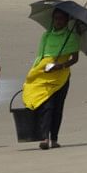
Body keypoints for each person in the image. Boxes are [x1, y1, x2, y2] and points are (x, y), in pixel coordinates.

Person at [22, 9, 80, 150]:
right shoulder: (46, 35)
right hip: (44, 74)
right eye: (56, 18)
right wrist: (37, 71)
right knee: (46, 106)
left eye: (61, 19)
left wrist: (60, 66)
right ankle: (44, 138)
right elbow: (40, 56)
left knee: (57, 108)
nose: (58, 22)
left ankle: (53, 139)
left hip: (61, 77)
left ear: (67, 21)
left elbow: (75, 59)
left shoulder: (72, 37)